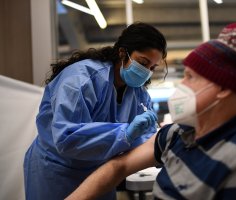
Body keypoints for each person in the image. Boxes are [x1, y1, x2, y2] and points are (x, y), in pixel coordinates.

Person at [65, 23, 236, 200]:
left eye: (190, 77)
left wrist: (130, 134)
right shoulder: (178, 134)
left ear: (222, 88)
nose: (180, 85)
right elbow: (119, 166)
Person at [23, 22, 167, 200]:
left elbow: (145, 138)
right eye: (143, 63)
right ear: (122, 53)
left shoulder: (138, 93)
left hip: (100, 171)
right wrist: (125, 134)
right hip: (56, 170)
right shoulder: (80, 79)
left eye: (152, 68)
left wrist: (161, 143)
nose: (146, 72)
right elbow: (66, 137)